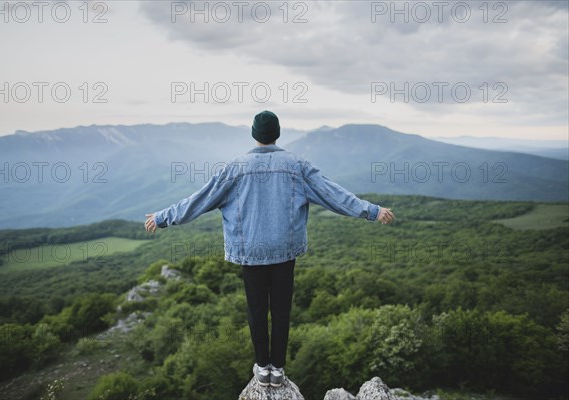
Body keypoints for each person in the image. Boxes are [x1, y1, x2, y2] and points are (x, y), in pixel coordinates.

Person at [144, 110, 395, 388]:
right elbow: (334, 195)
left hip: (251, 251)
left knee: (256, 310)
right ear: (277, 133)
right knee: (281, 309)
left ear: (254, 135)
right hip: (283, 251)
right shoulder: (297, 165)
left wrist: (163, 217)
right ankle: (278, 368)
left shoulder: (235, 168)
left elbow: (199, 200)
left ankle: (262, 367)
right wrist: (372, 211)